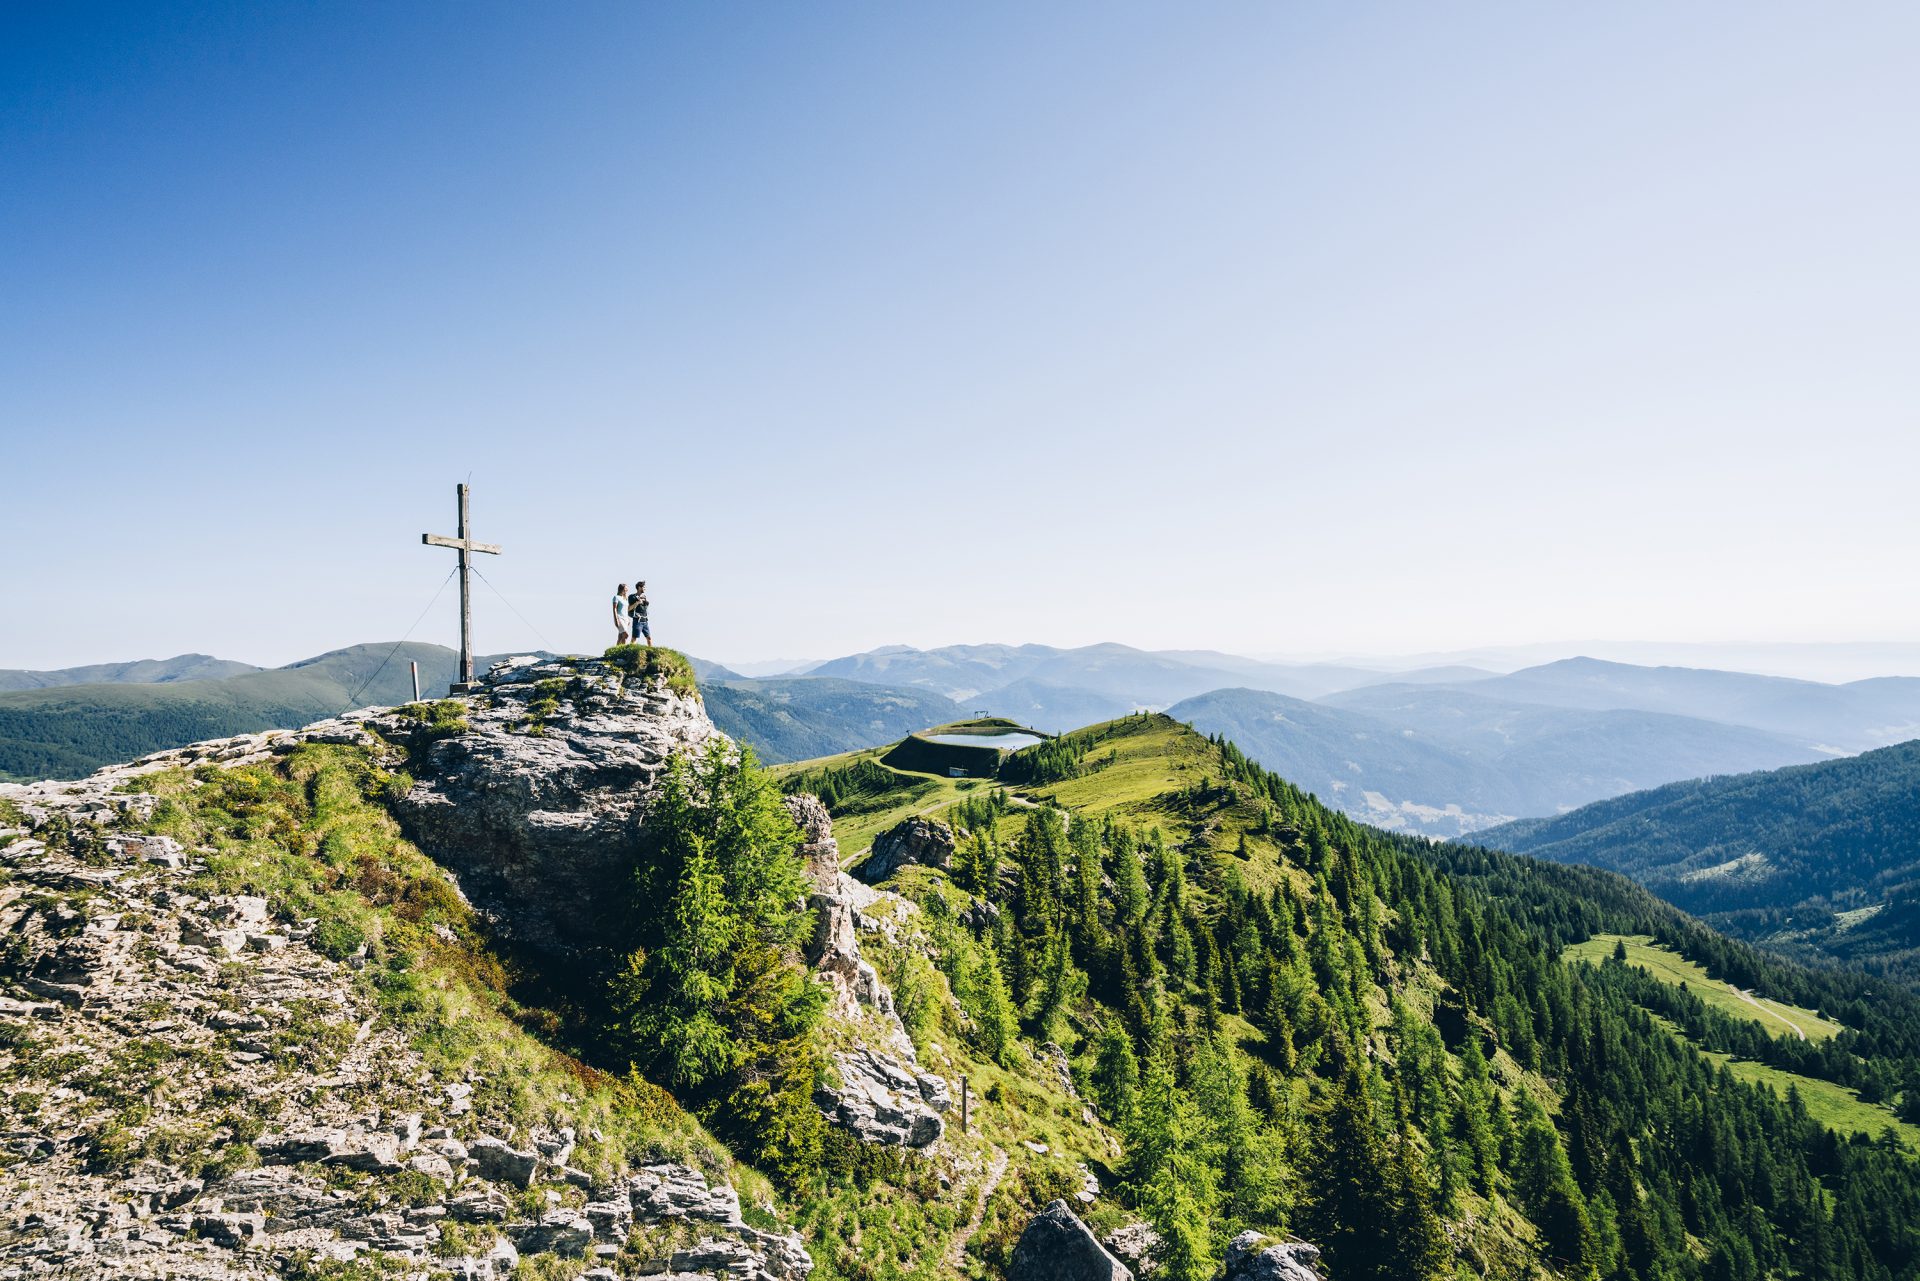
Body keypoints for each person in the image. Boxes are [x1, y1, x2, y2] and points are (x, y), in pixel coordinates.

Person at [627, 581, 651, 646]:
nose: (645, 589)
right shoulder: (632, 597)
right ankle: (630, 651)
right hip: (637, 620)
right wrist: (637, 602)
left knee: (649, 638)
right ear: (639, 587)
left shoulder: (644, 597)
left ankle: (651, 652)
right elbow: (629, 609)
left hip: (645, 620)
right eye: (644, 587)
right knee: (634, 638)